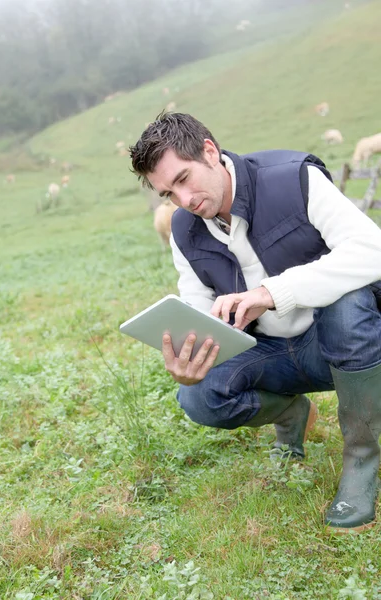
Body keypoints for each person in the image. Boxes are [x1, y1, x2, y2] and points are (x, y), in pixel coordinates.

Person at [129, 112, 381, 533]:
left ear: (210, 151)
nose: (184, 199)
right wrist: (191, 359)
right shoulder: (184, 230)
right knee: (198, 397)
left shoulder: (293, 179)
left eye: (185, 178)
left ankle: (361, 459)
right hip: (269, 354)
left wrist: (271, 293)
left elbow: (372, 251)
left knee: (350, 301)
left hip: (340, 343)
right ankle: (292, 414)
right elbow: (197, 306)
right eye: (169, 192)